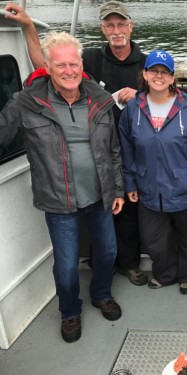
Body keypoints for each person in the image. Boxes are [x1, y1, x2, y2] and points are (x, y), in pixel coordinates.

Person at [3, 0, 149, 286]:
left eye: (121, 24)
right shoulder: (92, 58)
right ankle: (96, 273)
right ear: (102, 28)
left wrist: (140, 95)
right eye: (110, 24)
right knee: (95, 237)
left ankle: (127, 266)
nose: (116, 30)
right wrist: (30, 27)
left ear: (131, 27)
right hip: (99, 148)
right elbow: (45, 64)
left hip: (129, 148)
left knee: (128, 215)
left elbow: (164, 89)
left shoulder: (146, 62)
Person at [0, 32, 125, 342]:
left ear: (81, 64)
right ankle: (70, 312)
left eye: (74, 64)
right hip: (58, 199)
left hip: (100, 195)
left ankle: (101, 293)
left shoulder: (99, 97)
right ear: (47, 66)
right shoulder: (26, 101)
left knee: (108, 252)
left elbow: (113, 150)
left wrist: (118, 189)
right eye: (60, 65)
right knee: (67, 266)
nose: (69, 71)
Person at [118, 50, 187, 295]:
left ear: (173, 78)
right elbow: (126, 150)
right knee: (154, 239)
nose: (159, 76)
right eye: (154, 70)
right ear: (145, 74)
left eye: (165, 72)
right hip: (148, 188)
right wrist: (129, 184)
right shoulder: (133, 109)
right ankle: (164, 274)